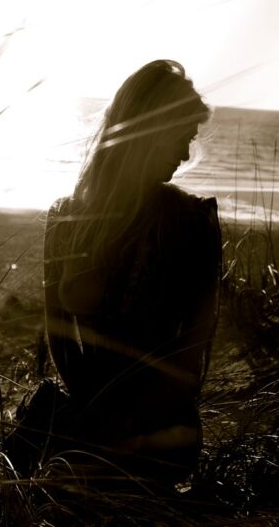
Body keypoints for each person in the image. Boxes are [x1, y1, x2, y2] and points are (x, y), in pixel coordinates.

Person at [41, 59, 222, 489]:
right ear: (150, 131)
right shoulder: (66, 219)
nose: (185, 154)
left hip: (161, 425)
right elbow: (58, 335)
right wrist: (91, 410)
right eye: (181, 137)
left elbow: (193, 350)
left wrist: (127, 420)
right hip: (86, 409)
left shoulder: (192, 222)